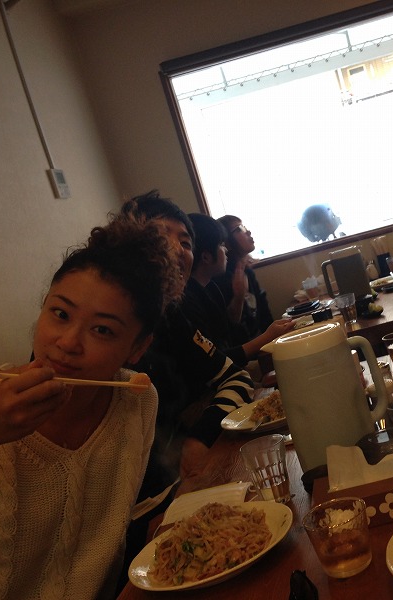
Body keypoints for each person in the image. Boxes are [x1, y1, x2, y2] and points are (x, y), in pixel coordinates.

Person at [0, 214, 181, 599]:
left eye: (102, 330)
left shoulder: (136, 400)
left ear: (138, 347)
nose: (68, 342)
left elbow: (106, 544)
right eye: (60, 314)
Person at [120, 193, 254, 577]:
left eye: (186, 242)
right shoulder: (110, 325)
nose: (180, 251)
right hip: (134, 520)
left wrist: (199, 436)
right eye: (165, 236)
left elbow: (234, 374)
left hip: (175, 491)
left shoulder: (171, 314)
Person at [182, 213, 295, 368]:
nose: (225, 250)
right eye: (221, 245)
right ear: (206, 257)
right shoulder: (200, 291)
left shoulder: (212, 287)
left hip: (242, 361)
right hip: (231, 368)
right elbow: (214, 359)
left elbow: (230, 331)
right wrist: (268, 337)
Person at [212, 215, 275, 343]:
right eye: (239, 229)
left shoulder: (248, 272)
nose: (248, 232)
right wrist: (239, 296)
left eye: (244, 227)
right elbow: (230, 330)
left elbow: (265, 316)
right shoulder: (221, 278)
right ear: (226, 242)